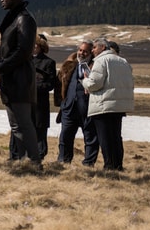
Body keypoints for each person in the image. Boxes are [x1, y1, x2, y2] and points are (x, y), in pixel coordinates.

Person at [0, 0, 41, 165]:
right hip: (12, 78)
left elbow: (23, 51)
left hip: (20, 79)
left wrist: (0, 68)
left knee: (23, 122)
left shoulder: (24, 19)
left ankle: (34, 160)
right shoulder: (15, 18)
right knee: (16, 124)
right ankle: (22, 158)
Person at [82, 38, 134, 171]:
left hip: (103, 105)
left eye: (94, 47)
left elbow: (95, 84)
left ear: (102, 48)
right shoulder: (123, 61)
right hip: (119, 105)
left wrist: (85, 81)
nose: (92, 50)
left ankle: (109, 166)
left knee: (105, 138)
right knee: (116, 136)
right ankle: (118, 165)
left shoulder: (101, 61)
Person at [56, 39, 99, 165]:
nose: (81, 53)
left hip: (87, 108)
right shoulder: (69, 65)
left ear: (91, 53)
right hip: (69, 107)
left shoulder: (96, 66)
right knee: (65, 136)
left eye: (85, 51)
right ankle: (63, 161)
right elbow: (60, 83)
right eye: (80, 50)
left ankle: (88, 163)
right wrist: (62, 103)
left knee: (90, 137)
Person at [32, 34, 59, 160]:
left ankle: (39, 156)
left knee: (40, 130)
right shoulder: (24, 60)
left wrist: (33, 87)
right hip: (25, 103)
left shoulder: (48, 63)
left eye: (36, 44)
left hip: (40, 103)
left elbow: (50, 84)